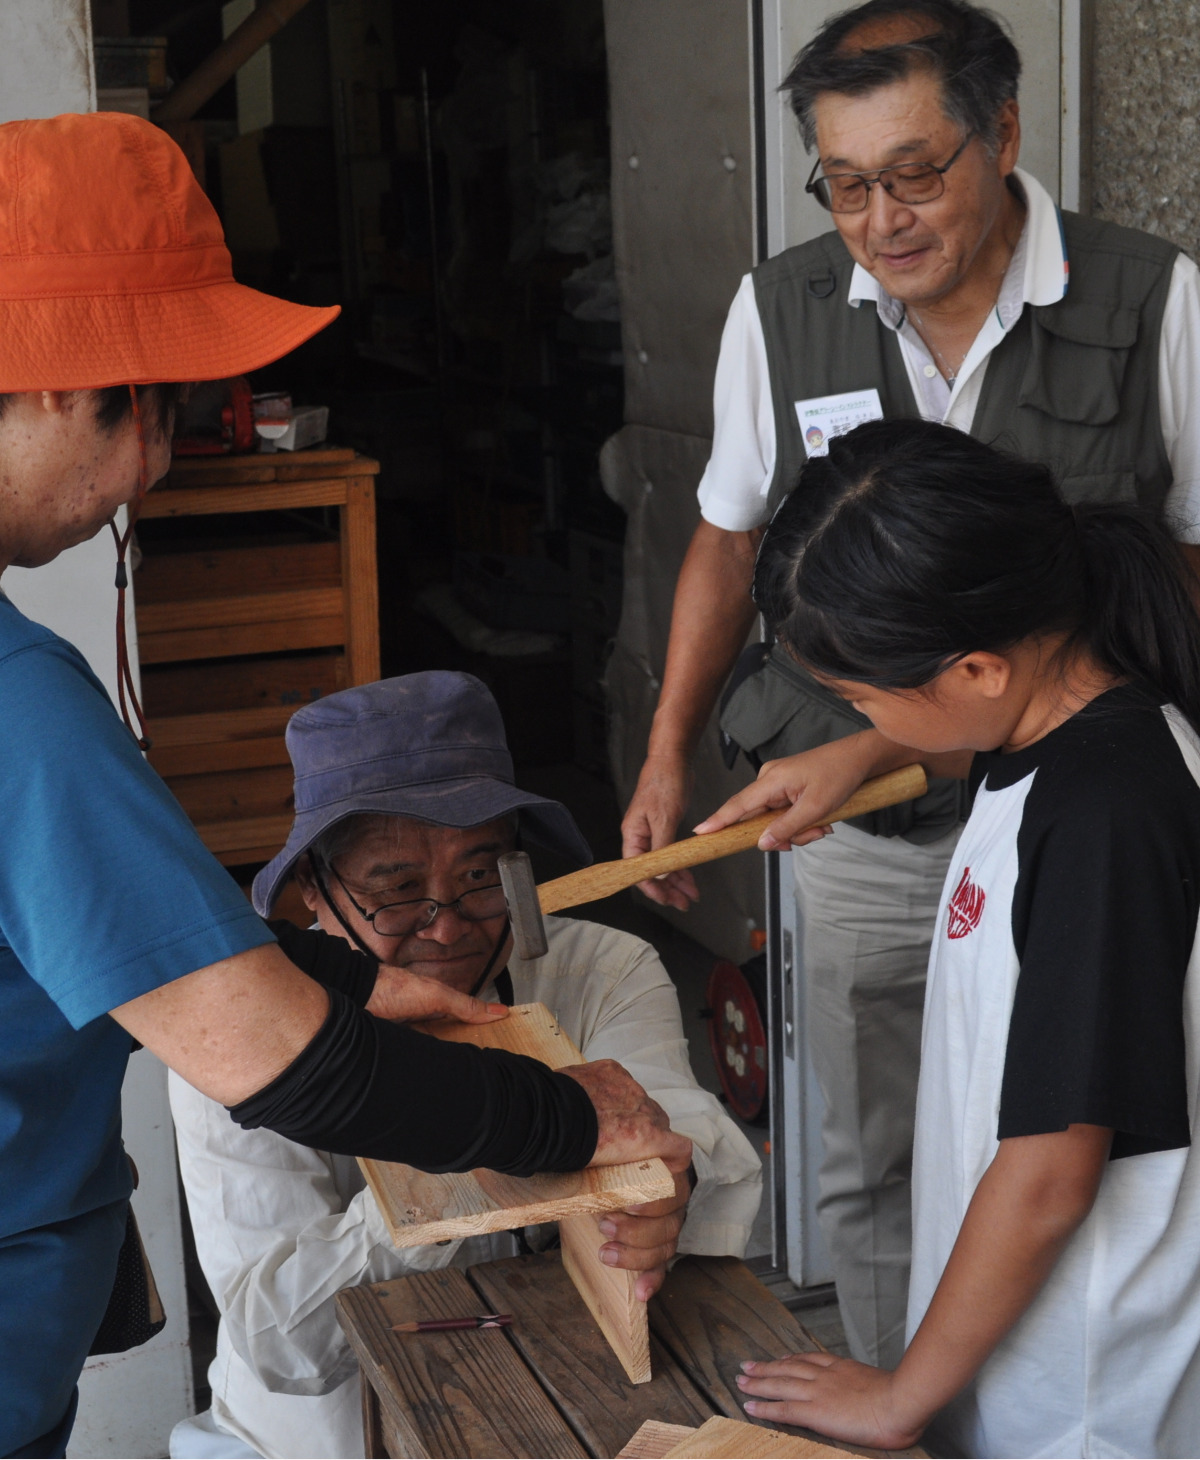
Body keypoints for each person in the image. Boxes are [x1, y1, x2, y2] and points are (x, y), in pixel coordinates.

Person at [0, 112, 688, 1459]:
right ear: (69, 384)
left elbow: (142, 940)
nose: (154, 469)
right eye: (162, 410)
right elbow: (274, 1061)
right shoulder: (20, 699)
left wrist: (354, 979)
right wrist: (567, 1116)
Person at [621, 0, 1200, 1367]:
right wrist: (667, 750)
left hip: (1072, 812)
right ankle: (896, 1395)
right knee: (883, 1137)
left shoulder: (1151, 299)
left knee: (1074, 1126)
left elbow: (1187, 555)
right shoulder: (782, 309)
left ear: (1003, 134)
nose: (882, 220)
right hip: (864, 826)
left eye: (916, 174)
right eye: (845, 185)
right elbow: (728, 536)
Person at [692, 418, 1200, 1455]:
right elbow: (973, 734)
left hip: (1093, 1389)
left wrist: (898, 1399)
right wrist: (863, 754)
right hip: (1019, 1342)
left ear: (974, 670)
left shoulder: (1103, 819)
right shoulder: (1054, 733)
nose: (856, 721)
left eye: (857, 698)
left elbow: (1051, 1171)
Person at [167, 672, 762, 1459]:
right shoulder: (234, 1035)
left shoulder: (602, 970)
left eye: (480, 878)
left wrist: (668, 1193)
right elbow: (280, 1345)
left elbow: (688, 1139)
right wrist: (469, 1150)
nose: (447, 929)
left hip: (566, 1400)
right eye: (398, 891)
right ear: (312, 888)